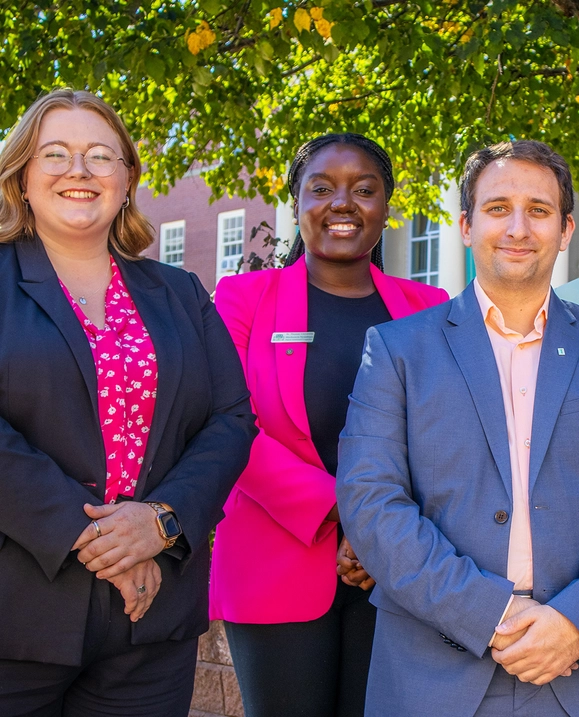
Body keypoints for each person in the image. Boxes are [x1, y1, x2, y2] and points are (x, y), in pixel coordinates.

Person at [0, 88, 257, 717]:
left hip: (151, 620)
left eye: (100, 155)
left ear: (126, 178)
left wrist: (160, 521)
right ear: (22, 178)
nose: (79, 171)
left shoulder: (180, 292)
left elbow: (231, 419)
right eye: (55, 154)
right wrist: (94, 537)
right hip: (16, 610)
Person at [336, 139, 579, 716]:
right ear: (466, 225)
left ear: (566, 230)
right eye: (498, 208)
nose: (518, 227)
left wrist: (573, 619)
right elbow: (371, 503)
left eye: (539, 211)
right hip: (432, 675)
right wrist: (490, 615)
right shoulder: (396, 350)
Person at [209, 133, 448, 717]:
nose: (343, 203)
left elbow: (446, 438)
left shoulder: (432, 307)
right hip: (274, 561)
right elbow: (226, 423)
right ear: (296, 202)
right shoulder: (242, 299)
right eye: (322, 188)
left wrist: (380, 532)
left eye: (364, 190)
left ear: (386, 208)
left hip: (396, 572)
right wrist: (351, 511)